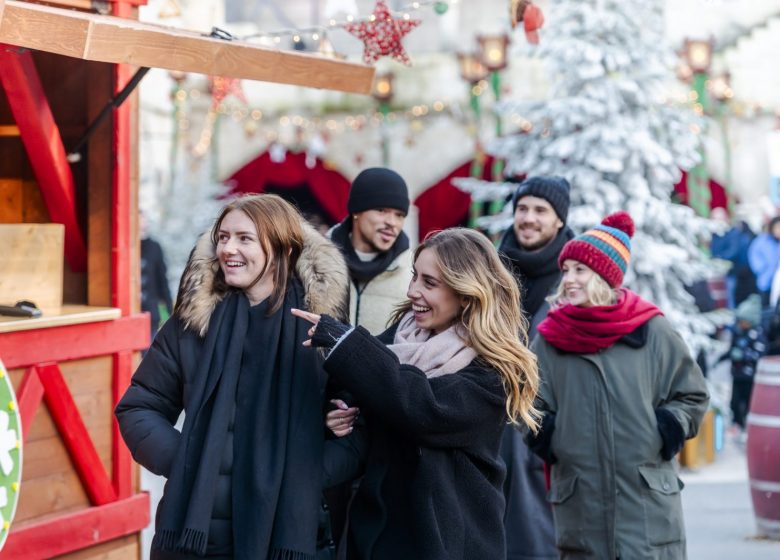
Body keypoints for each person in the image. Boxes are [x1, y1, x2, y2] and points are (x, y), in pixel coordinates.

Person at [115, 194, 349, 559]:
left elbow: (362, 423)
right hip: (197, 537)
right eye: (223, 237)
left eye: (244, 238)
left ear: (283, 249)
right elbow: (138, 406)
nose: (228, 248)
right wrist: (185, 461)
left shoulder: (321, 331)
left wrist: (312, 474)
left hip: (285, 532)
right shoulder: (193, 325)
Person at [293, 228, 540, 560]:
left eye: (429, 283)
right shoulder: (403, 334)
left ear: (465, 293)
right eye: (414, 277)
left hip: (448, 544)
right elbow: (368, 390)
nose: (412, 292)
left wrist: (349, 343)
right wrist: (342, 412)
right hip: (376, 535)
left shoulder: (492, 371)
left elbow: (424, 407)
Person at [526, 211, 710, 559]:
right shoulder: (549, 339)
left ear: (603, 276)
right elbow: (528, 405)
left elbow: (692, 394)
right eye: (566, 271)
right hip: (582, 506)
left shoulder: (653, 330)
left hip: (646, 506)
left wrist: (665, 428)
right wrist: (551, 437)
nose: (569, 280)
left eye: (579, 270)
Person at [497, 176, 573, 559]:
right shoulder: (492, 273)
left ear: (559, 220)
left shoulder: (574, 281)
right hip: (489, 433)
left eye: (541, 210)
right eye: (522, 208)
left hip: (547, 441)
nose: (528, 218)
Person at [328, 167, 413, 334]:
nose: (392, 222)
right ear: (356, 211)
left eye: (399, 215)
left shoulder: (414, 273)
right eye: (381, 210)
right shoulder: (316, 263)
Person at [718, 294, 767, 434]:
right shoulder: (738, 333)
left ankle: (747, 426)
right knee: (734, 401)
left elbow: (760, 354)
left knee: (748, 402)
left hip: (750, 376)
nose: (740, 324)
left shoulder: (757, 334)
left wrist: (744, 356)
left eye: (743, 321)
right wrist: (723, 358)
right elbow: (731, 350)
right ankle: (737, 424)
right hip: (737, 375)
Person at [710, 207, 757, 308]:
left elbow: (733, 252)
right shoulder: (715, 234)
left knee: (730, 298)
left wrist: (718, 258)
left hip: (733, 272)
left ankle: (732, 321)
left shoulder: (733, 233)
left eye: (719, 219)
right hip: (719, 271)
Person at [140, 213, 174, 340]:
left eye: (143, 221)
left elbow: (162, 280)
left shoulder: (154, 247)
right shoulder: (127, 246)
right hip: (130, 312)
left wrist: (169, 309)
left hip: (150, 313)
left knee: (149, 353)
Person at [748, 215, 780, 307]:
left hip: (778, 282)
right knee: (766, 308)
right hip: (766, 280)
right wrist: (763, 270)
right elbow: (754, 257)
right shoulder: (762, 241)